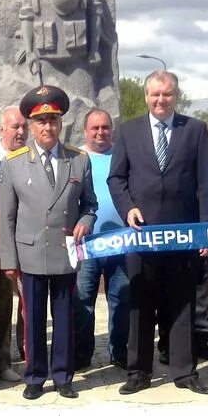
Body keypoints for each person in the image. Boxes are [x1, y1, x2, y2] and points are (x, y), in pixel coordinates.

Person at [107, 69, 208, 395]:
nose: (161, 100)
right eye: (155, 95)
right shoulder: (129, 131)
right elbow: (116, 179)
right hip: (141, 237)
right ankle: (139, 372)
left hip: (183, 238)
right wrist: (128, 207)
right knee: (140, 304)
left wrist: (207, 233)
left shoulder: (195, 130)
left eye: (167, 95)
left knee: (183, 304)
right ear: (146, 97)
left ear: (175, 96)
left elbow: (206, 184)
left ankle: (184, 372)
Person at [0, 86, 97, 399]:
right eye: (41, 122)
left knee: (66, 317)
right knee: (34, 319)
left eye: (53, 120)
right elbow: (7, 218)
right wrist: (8, 262)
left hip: (64, 251)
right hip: (30, 254)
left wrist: (85, 221)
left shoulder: (78, 161)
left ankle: (63, 375)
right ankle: (35, 376)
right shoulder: (14, 163)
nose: (47, 127)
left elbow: (90, 204)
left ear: (61, 124)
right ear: (30, 126)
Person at [73, 109, 130, 370]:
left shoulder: (123, 154)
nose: (100, 132)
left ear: (112, 129)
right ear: (85, 131)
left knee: (121, 298)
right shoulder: (75, 158)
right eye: (94, 128)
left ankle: (119, 351)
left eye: (105, 127)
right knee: (83, 299)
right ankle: (82, 354)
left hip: (121, 241)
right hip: (87, 243)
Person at [0, 107, 27, 382]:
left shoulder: (31, 158)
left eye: (24, 127)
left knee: (7, 307)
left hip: (20, 244)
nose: (21, 132)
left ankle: (4, 362)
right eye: (15, 127)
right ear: (1, 130)